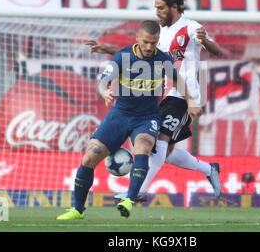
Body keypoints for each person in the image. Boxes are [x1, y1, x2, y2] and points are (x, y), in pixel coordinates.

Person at [86, 0, 223, 202]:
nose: (157, 12)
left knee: (159, 143)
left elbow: (217, 50)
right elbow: (141, 50)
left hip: (183, 96)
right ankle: (209, 169)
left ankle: (139, 190)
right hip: (161, 95)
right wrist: (107, 49)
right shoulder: (162, 33)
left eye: (160, 8)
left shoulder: (190, 28)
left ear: (174, 7)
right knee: (162, 151)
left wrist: (205, 41)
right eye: (155, 8)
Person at [57, 20, 202, 220]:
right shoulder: (123, 57)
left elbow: (178, 80)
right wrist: (104, 92)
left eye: (154, 42)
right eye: (146, 42)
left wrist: (191, 101)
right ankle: (77, 210)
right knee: (90, 157)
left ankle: (129, 200)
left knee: (143, 147)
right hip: (120, 115)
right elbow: (103, 82)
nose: (150, 47)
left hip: (146, 118)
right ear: (137, 39)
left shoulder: (163, 59)